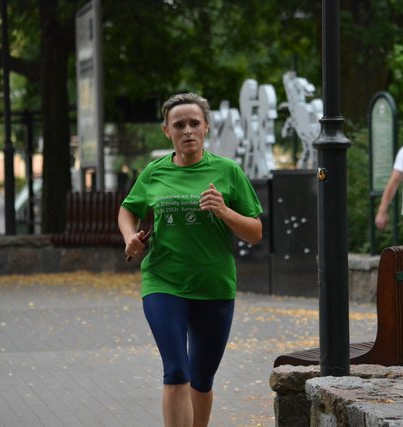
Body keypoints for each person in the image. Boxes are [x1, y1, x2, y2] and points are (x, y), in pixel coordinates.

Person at [118, 92, 263, 427]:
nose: (187, 131)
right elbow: (128, 209)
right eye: (179, 125)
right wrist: (129, 238)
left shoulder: (228, 171)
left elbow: (255, 232)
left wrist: (224, 211)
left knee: (201, 379)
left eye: (194, 123)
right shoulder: (154, 172)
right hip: (163, 282)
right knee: (176, 371)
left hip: (214, 286)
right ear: (166, 130)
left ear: (206, 127)